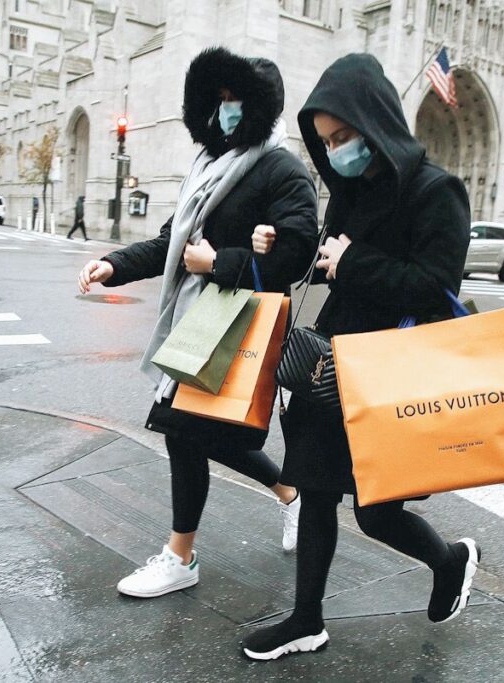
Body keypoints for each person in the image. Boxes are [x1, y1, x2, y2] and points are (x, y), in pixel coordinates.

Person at [241, 54, 478, 661]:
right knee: (316, 488)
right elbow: (322, 267)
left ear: (374, 122)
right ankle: (306, 620)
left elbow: (435, 286)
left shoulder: (437, 191)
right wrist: (276, 248)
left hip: (395, 375)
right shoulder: (347, 193)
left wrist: (355, 264)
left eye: (344, 136)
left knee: (375, 515)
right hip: (332, 363)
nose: (338, 150)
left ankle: (450, 560)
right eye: (327, 142)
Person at [77, 48, 318, 599]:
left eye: (237, 101)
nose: (226, 111)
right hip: (201, 320)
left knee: (187, 433)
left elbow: (299, 253)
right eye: (220, 100)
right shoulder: (210, 166)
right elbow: (172, 243)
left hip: (237, 321)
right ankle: (289, 493)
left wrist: (223, 263)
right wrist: (113, 264)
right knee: (204, 434)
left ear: (259, 107)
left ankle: (180, 556)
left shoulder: (281, 168)